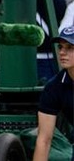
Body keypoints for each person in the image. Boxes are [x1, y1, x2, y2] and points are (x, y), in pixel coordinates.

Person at [34, 26, 74, 161]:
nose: (62, 52)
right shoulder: (54, 88)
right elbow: (44, 139)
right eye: (60, 47)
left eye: (70, 48)